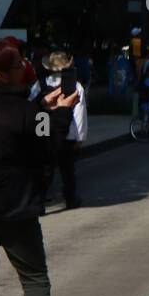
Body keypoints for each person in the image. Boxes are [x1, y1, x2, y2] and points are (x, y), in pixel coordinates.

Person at [0, 39, 55, 296]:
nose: (25, 67)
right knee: (34, 278)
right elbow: (47, 149)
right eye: (18, 63)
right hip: (16, 207)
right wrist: (47, 110)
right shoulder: (31, 113)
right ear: (2, 75)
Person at [29, 51, 87, 209]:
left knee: (46, 169)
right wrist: (80, 137)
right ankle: (70, 199)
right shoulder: (75, 86)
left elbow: (33, 108)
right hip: (67, 134)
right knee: (68, 170)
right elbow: (79, 114)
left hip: (45, 133)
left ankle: (39, 201)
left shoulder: (39, 85)